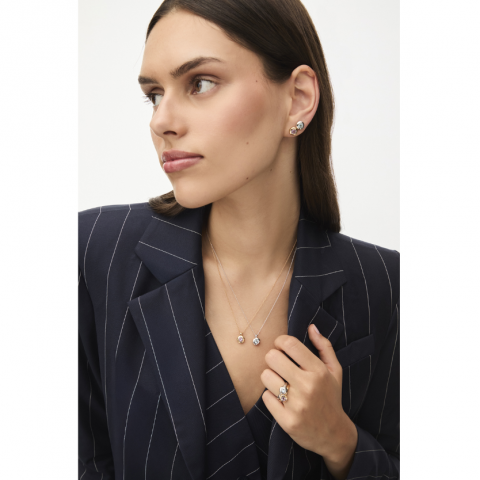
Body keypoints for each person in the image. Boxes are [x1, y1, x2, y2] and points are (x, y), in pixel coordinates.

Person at [78, 1, 399, 479]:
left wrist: (341, 442)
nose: (161, 121)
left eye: (201, 83)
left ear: (298, 98)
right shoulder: (95, 254)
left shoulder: (387, 286)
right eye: (154, 95)